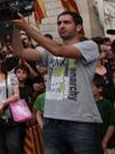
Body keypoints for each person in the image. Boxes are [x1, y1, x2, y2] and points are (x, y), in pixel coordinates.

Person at [11, 11, 103, 154]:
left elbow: (59, 50)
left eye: (67, 22)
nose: (62, 26)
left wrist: (27, 28)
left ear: (78, 27)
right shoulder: (49, 51)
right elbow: (19, 52)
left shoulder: (89, 46)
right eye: (59, 23)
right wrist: (17, 28)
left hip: (81, 121)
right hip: (52, 121)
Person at [92, 75, 115, 152]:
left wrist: (105, 141)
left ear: (100, 89)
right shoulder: (86, 104)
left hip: (106, 144)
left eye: (91, 87)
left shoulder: (106, 104)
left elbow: (112, 124)